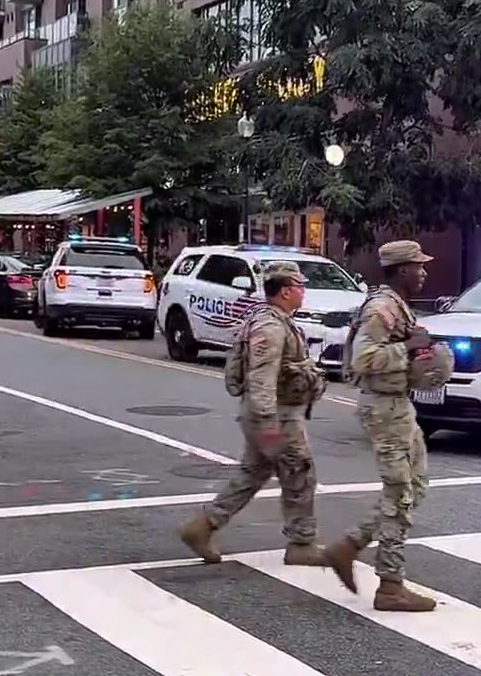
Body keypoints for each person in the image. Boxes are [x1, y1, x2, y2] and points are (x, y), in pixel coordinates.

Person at [179, 261, 356, 592]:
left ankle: (201, 527)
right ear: (286, 290)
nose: (303, 292)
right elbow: (262, 376)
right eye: (300, 286)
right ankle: (301, 544)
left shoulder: (275, 320)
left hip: (272, 413)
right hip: (276, 415)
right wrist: (268, 423)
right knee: (300, 474)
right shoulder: (270, 326)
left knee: (252, 474)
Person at [324, 240, 440, 612]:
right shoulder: (382, 308)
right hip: (384, 408)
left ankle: (350, 545)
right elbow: (363, 359)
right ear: (402, 269)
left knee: (415, 485)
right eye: (419, 266)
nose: (423, 272)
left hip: (398, 405)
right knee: (400, 492)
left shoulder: (396, 305)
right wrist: (408, 348)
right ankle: (390, 585)